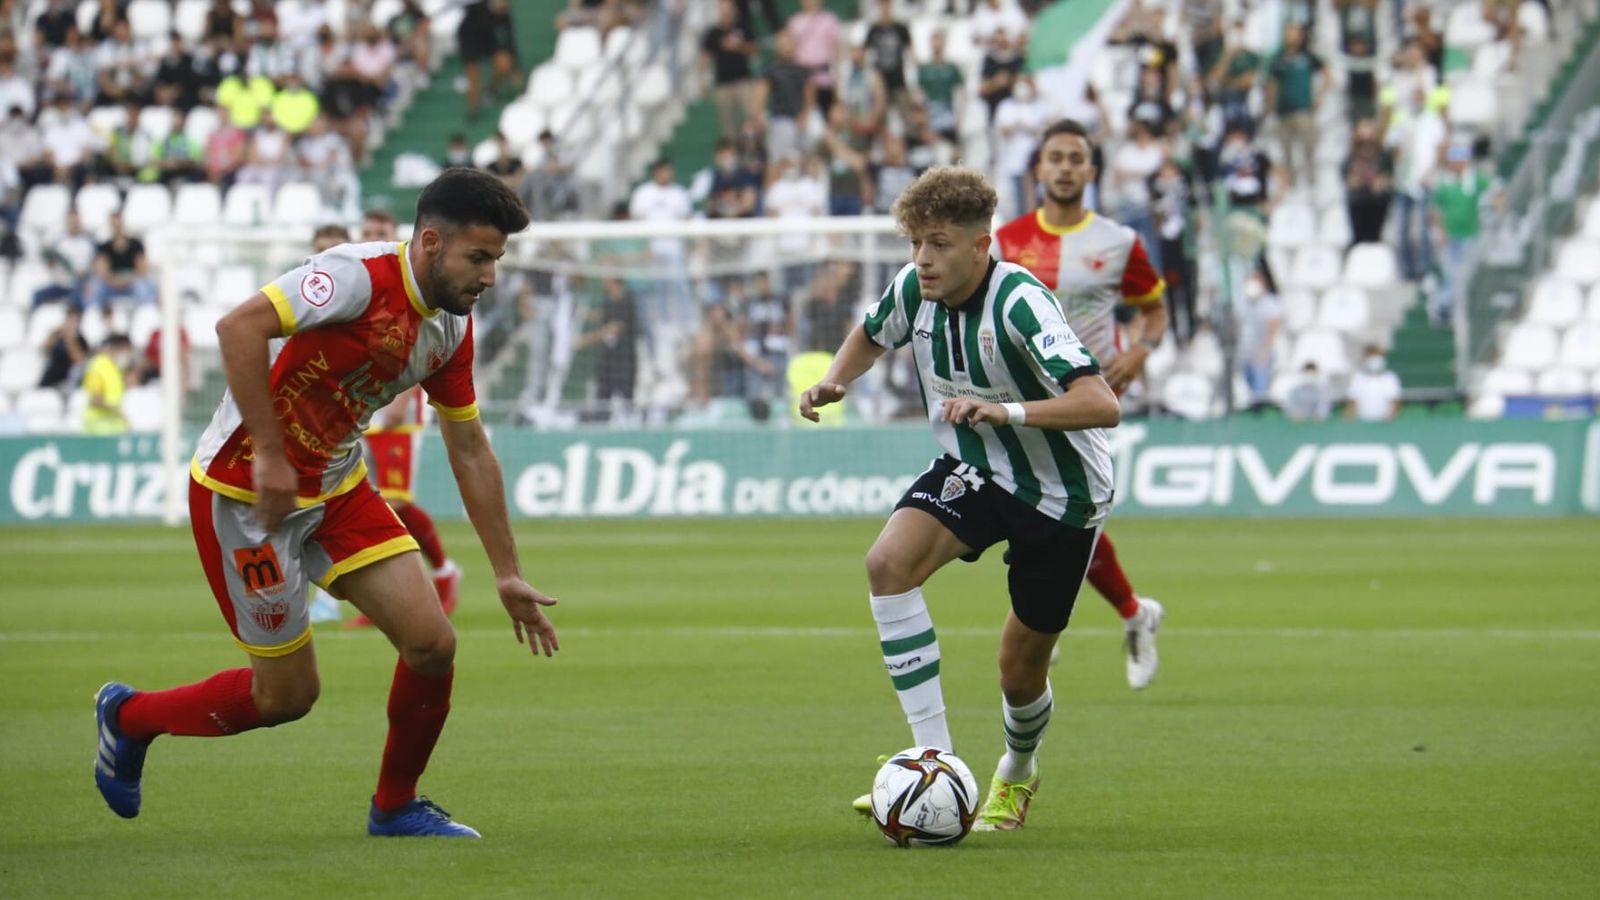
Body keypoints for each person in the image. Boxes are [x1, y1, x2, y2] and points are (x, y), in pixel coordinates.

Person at [92, 168, 559, 838]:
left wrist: (506, 572)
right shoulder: (353, 277)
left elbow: (470, 448)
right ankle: (130, 717)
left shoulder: (451, 330)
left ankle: (395, 806)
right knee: (286, 697)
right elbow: (237, 328)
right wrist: (271, 454)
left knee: (432, 644)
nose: (489, 277)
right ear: (432, 242)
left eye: (497, 261)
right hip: (246, 496)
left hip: (336, 486)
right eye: (479, 258)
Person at [808, 167, 1120, 832]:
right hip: (975, 466)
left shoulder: (1020, 302)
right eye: (916, 243)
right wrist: (836, 380)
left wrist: (1006, 412)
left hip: (1060, 495)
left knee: (1019, 672)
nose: (923, 259)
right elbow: (870, 334)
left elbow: (1102, 404)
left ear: (980, 247)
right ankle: (935, 765)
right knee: (887, 565)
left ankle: (1017, 770)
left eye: (939, 244)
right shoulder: (912, 288)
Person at [993, 119, 1167, 690]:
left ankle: (1049, 621)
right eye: (1056, 157)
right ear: (1039, 168)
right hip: (1020, 396)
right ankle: (1125, 615)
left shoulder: (1119, 242)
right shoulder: (1007, 241)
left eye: (1076, 158)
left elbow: (1155, 310)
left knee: (1067, 513)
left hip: (1085, 398)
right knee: (1040, 511)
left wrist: (1139, 351)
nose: (1065, 168)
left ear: (1091, 170)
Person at [82, 333, 133, 434]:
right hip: (98, 428)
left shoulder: (116, 369)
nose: (128, 356)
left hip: (114, 428)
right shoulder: (98, 366)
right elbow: (94, 399)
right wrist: (116, 411)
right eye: (126, 352)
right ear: (117, 349)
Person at [1344, 345, 1401, 421]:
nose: (1375, 361)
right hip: (1362, 420)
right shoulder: (1358, 377)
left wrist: (1390, 417)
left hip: (1384, 421)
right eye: (1372, 357)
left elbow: (1395, 401)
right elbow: (1352, 401)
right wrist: (1350, 418)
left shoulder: (1390, 377)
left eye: (1378, 357)